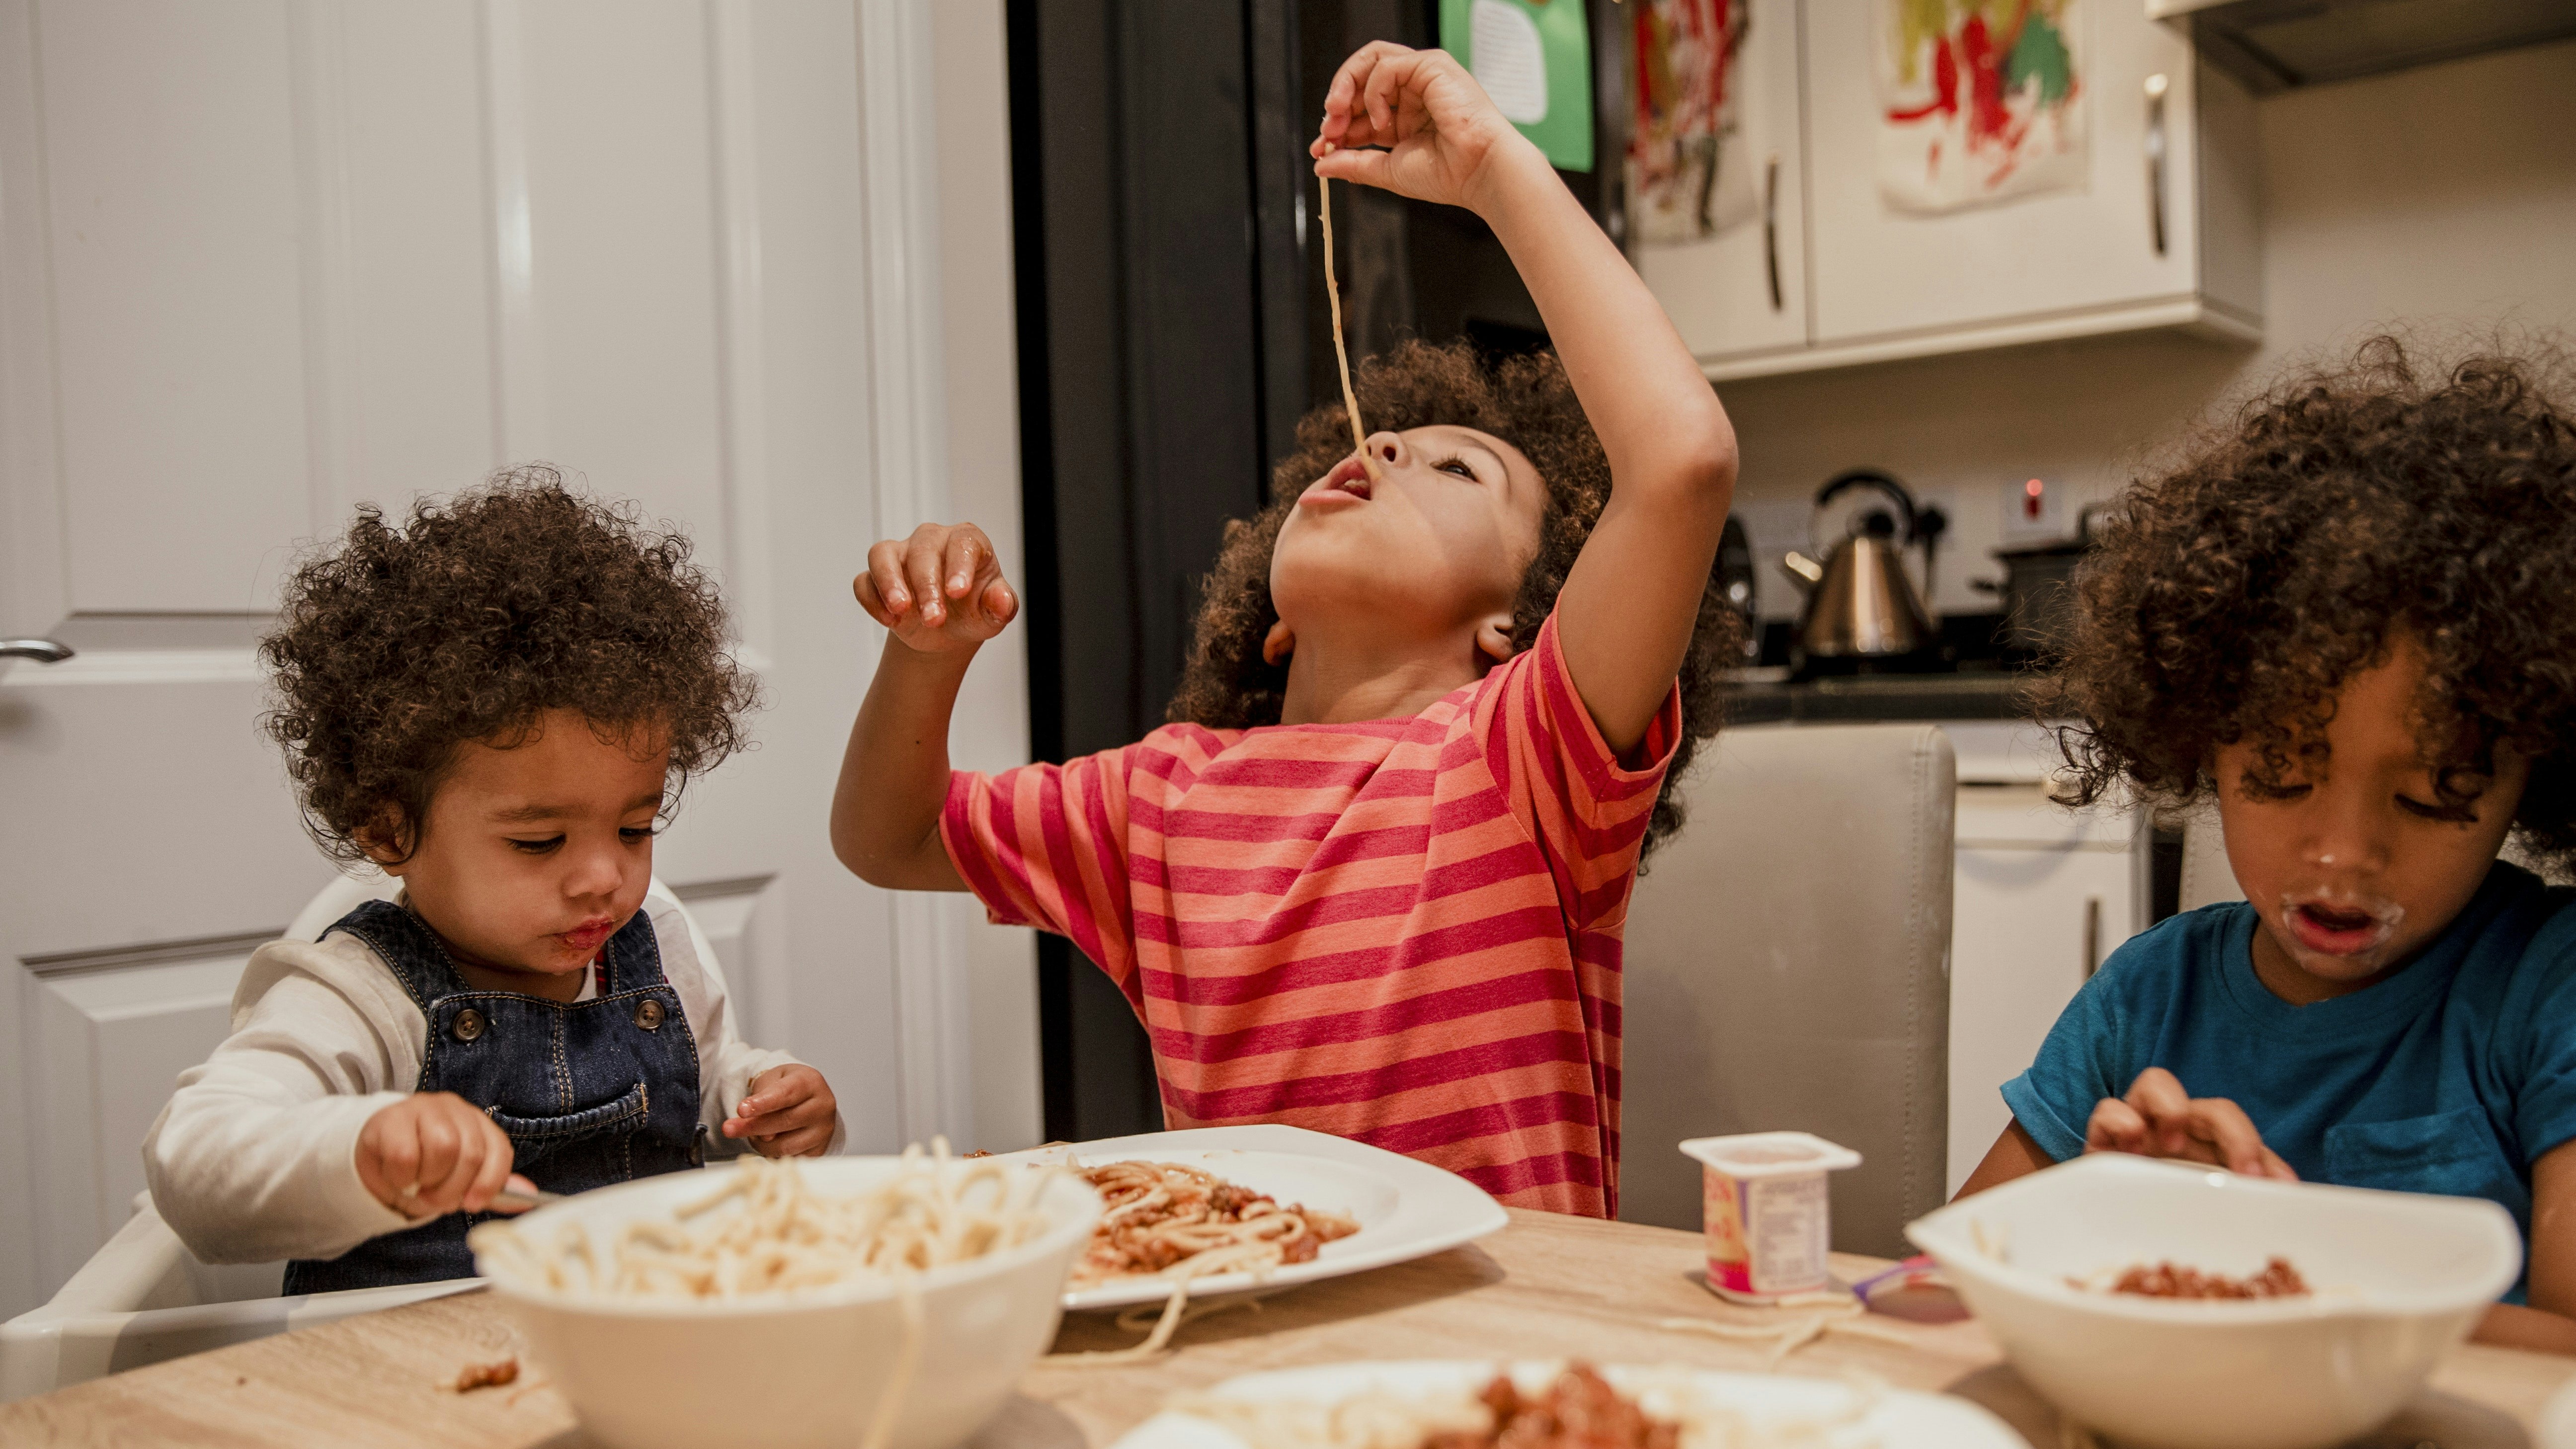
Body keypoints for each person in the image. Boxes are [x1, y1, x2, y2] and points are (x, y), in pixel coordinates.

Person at [831, 43, 1740, 1217]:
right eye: (1387, 442)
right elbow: (888, 838)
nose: (1386, 443)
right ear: (1273, 631)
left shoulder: (1525, 760)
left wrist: (1489, 169)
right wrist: (927, 656)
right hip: (1252, 1311)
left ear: (1518, 625)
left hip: (1505, 1316)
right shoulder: (1158, 803)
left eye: (1458, 469)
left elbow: (1683, 460)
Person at [1955, 337, 2576, 1352]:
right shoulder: (2145, 1000)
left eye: (2432, 795)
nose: (2344, 854)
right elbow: (1940, 1293)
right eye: (2283, 774)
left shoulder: (2548, 992)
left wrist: (2279, 1269)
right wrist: (2106, 1230)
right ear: (2202, 738)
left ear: (2535, 767)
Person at [145, 471, 840, 1291]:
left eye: (634, 828)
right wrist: (358, 1149)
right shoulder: (358, 998)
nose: (605, 879)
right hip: (415, 1361)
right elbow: (197, 1164)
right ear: (388, 829)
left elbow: (708, 1081)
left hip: (643, 1335)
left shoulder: (654, 951)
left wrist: (763, 1098)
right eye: (539, 842)